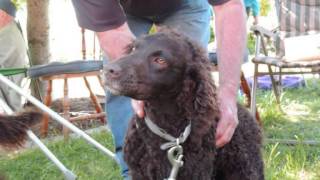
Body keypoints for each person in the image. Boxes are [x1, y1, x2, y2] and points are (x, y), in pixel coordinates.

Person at [72, 0, 246, 178]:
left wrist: (228, 91)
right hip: (121, 9)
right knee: (123, 87)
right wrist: (133, 85)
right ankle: (134, 173)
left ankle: (191, 171)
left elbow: (228, 6)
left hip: (185, 4)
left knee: (192, 91)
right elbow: (113, 32)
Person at [0, 0, 27, 111]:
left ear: (2, 15)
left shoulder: (8, 33)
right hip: (8, 77)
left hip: (9, 78)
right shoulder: (10, 29)